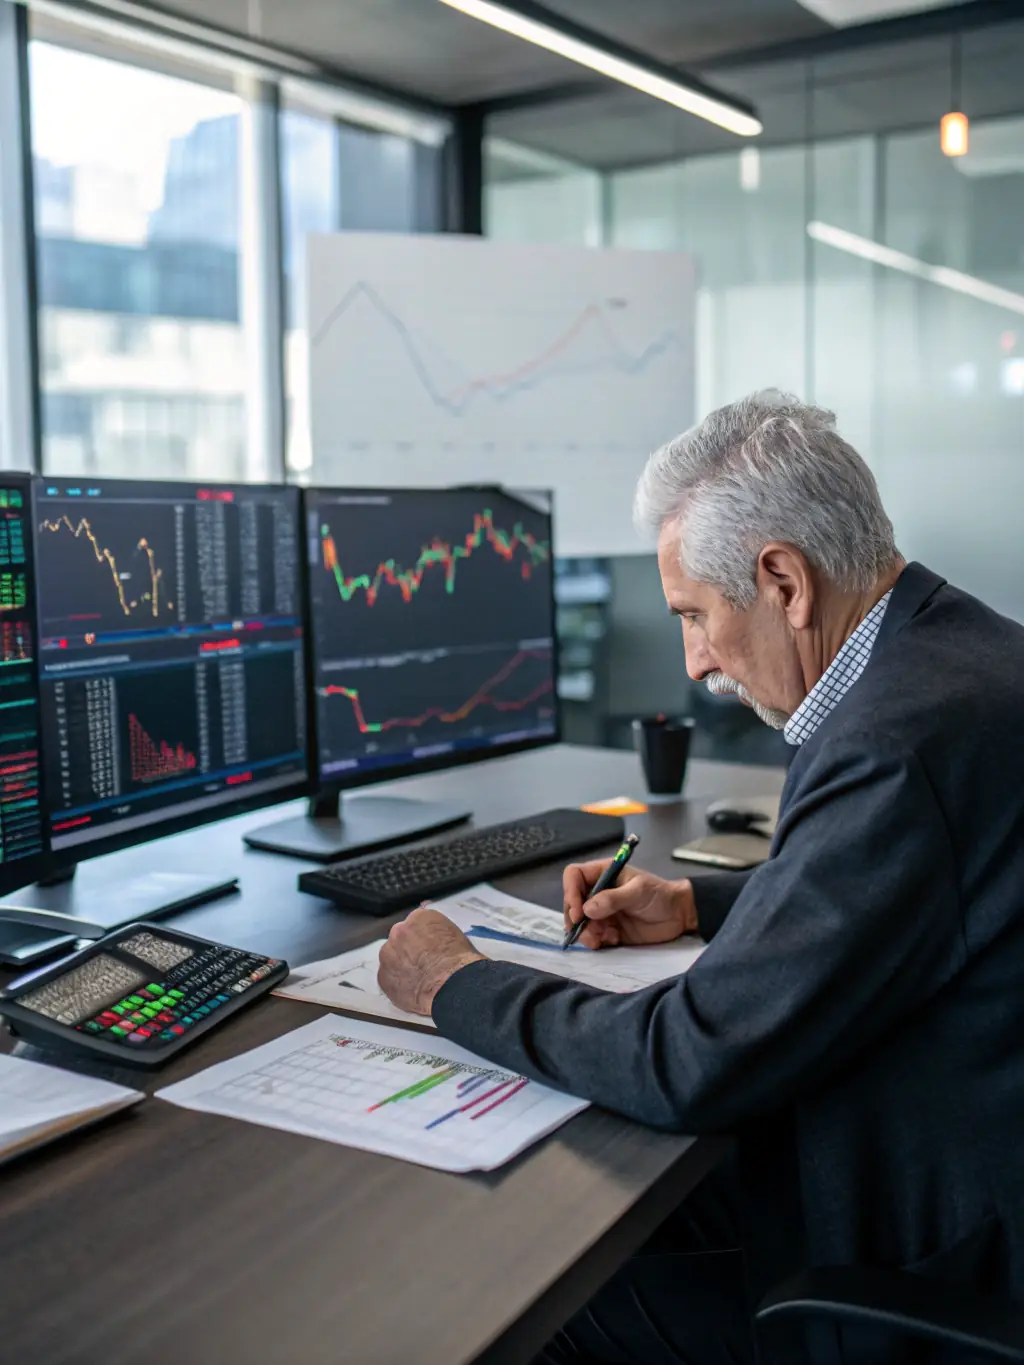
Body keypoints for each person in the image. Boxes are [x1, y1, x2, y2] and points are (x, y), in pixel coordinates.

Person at [377, 390, 1024, 1363]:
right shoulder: (958, 654)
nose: (694, 660)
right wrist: (695, 902)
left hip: (919, 1260)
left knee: (505, 1300)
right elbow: (927, 898)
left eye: (694, 614)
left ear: (781, 581)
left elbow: (688, 1062)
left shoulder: (893, 743)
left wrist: (451, 985)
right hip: (941, 1162)